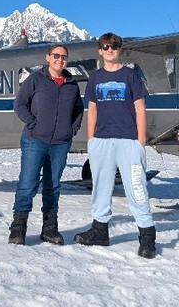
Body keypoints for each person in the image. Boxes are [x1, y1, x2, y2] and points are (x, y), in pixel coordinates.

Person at [75, 32, 156, 258]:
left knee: (137, 188)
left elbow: (140, 108)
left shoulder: (130, 76)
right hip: (101, 141)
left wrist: (141, 141)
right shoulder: (95, 78)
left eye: (114, 46)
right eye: (106, 46)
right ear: (100, 50)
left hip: (129, 141)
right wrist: (91, 139)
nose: (110, 50)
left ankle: (147, 236)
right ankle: (100, 231)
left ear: (119, 50)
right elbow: (92, 109)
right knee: (100, 186)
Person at [9, 43, 84, 245]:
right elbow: (19, 104)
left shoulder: (71, 83)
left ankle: (49, 229)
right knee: (27, 184)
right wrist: (33, 124)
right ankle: (18, 228)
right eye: (56, 56)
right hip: (35, 140)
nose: (60, 60)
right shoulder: (35, 79)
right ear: (48, 57)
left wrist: (71, 131)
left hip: (60, 143)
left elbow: (78, 110)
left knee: (53, 185)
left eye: (64, 57)